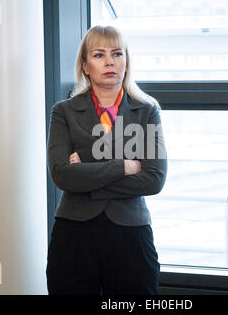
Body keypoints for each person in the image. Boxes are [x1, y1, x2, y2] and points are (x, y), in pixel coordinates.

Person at [46, 25, 167, 295]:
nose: (110, 62)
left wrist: (84, 175)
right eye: (99, 55)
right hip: (73, 233)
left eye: (117, 54)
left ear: (127, 61)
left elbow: (154, 179)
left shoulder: (146, 111)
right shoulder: (63, 112)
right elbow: (61, 175)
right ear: (85, 66)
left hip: (131, 233)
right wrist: (125, 166)